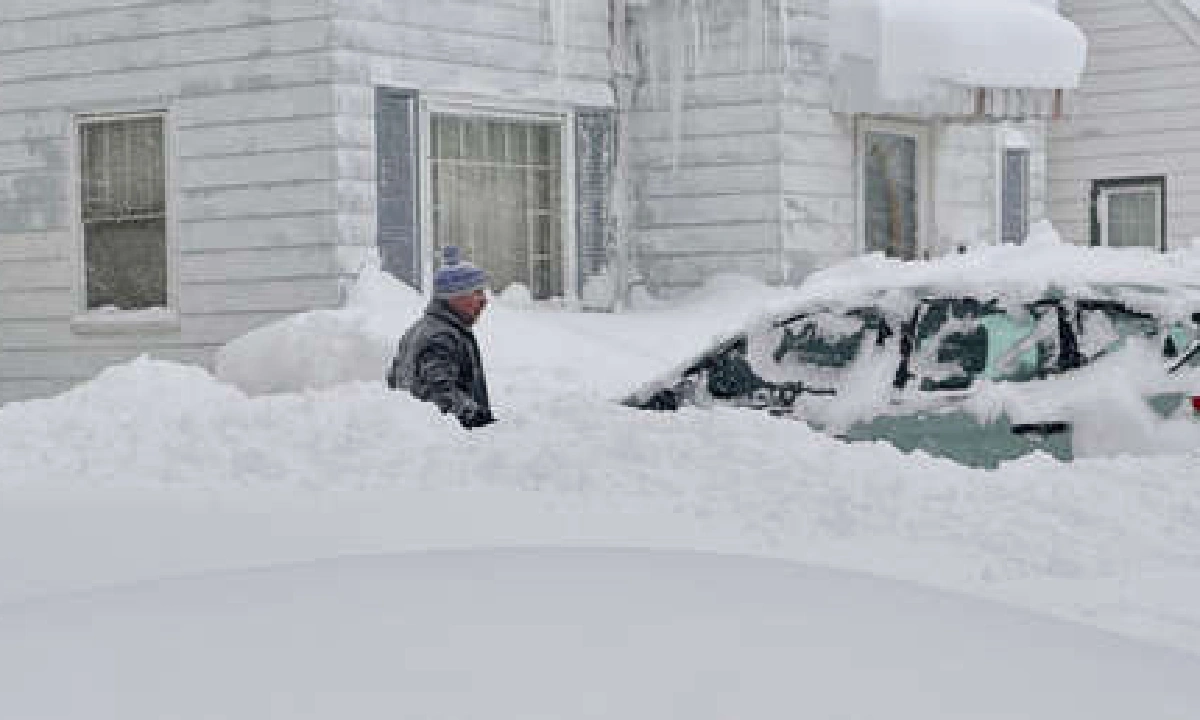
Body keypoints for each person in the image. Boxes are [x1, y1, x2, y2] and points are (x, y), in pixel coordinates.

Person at [387, 246, 495, 429]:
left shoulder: (422, 328)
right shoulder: (441, 337)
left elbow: (393, 381)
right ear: (454, 297)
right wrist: (475, 417)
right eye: (477, 293)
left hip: (418, 438)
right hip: (446, 444)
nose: (484, 301)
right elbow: (439, 392)